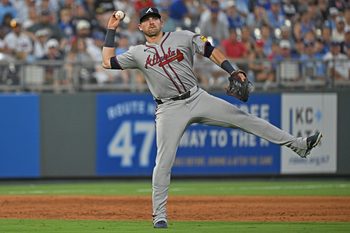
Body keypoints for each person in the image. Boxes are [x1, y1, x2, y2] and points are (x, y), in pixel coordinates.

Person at [101, 7, 323, 229]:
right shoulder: (137, 52)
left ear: (161, 21)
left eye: (154, 18)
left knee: (244, 118)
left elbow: (209, 49)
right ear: (140, 26)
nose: (151, 22)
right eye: (146, 20)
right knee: (163, 161)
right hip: (168, 109)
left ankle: (299, 145)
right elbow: (107, 62)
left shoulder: (183, 37)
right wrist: (111, 29)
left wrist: (232, 71)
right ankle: (159, 215)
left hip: (197, 97)